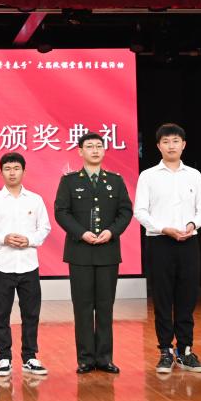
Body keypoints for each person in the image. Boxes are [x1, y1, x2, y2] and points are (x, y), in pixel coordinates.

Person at [133, 123, 201, 374]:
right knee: (163, 298)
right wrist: (163, 228)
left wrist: (192, 224)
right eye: (166, 142)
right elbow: (140, 211)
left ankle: (185, 350)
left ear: (183, 145)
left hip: (188, 241)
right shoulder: (148, 176)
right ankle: (165, 350)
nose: (171, 146)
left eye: (175, 141)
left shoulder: (194, 175)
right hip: (160, 242)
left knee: (187, 298)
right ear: (158, 146)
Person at [54, 131, 133, 374]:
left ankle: (105, 358)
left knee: (105, 307)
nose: (95, 150)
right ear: (80, 151)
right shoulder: (69, 181)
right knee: (83, 307)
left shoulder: (115, 181)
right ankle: (86, 359)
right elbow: (61, 212)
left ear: (104, 150)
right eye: (90, 146)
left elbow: (125, 212)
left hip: (108, 252)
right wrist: (81, 233)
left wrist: (111, 231)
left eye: (99, 146)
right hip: (80, 252)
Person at [0, 152, 51, 377]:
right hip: (3, 265)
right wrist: (3, 238)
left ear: (23, 171)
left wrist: (29, 240)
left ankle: (30, 356)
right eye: (7, 169)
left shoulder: (35, 200)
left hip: (29, 265)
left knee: (31, 313)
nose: (12, 173)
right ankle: (4, 357)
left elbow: (44, 228)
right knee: (1, 314)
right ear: (1, 172)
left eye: (16, 168)